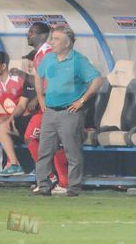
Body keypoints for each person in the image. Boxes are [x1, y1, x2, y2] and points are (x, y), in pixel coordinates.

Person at [0, 23, 70, 193]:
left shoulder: (47, 53)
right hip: (47, 106)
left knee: (48, 141)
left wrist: (39, 98)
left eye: (32, 33)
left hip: (54, 105)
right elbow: (40, 81)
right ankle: (50, 177)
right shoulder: (40, 55)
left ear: (43, 35)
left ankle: (58, 180)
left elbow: (52, 80)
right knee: (36, 138)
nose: (28, 35)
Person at [33, 26, 103, 196]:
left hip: (70, 113)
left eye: (56, 39)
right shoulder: (48, 58)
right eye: (52, 38)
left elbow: (97, 80)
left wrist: (82, 100)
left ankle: (73, 187)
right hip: (50, 111)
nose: (51, 42)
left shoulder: (78, 60)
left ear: (67, 43)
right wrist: (40, 97)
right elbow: (38, 76)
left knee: (72, 152)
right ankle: (43, 185)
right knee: (44, 151)